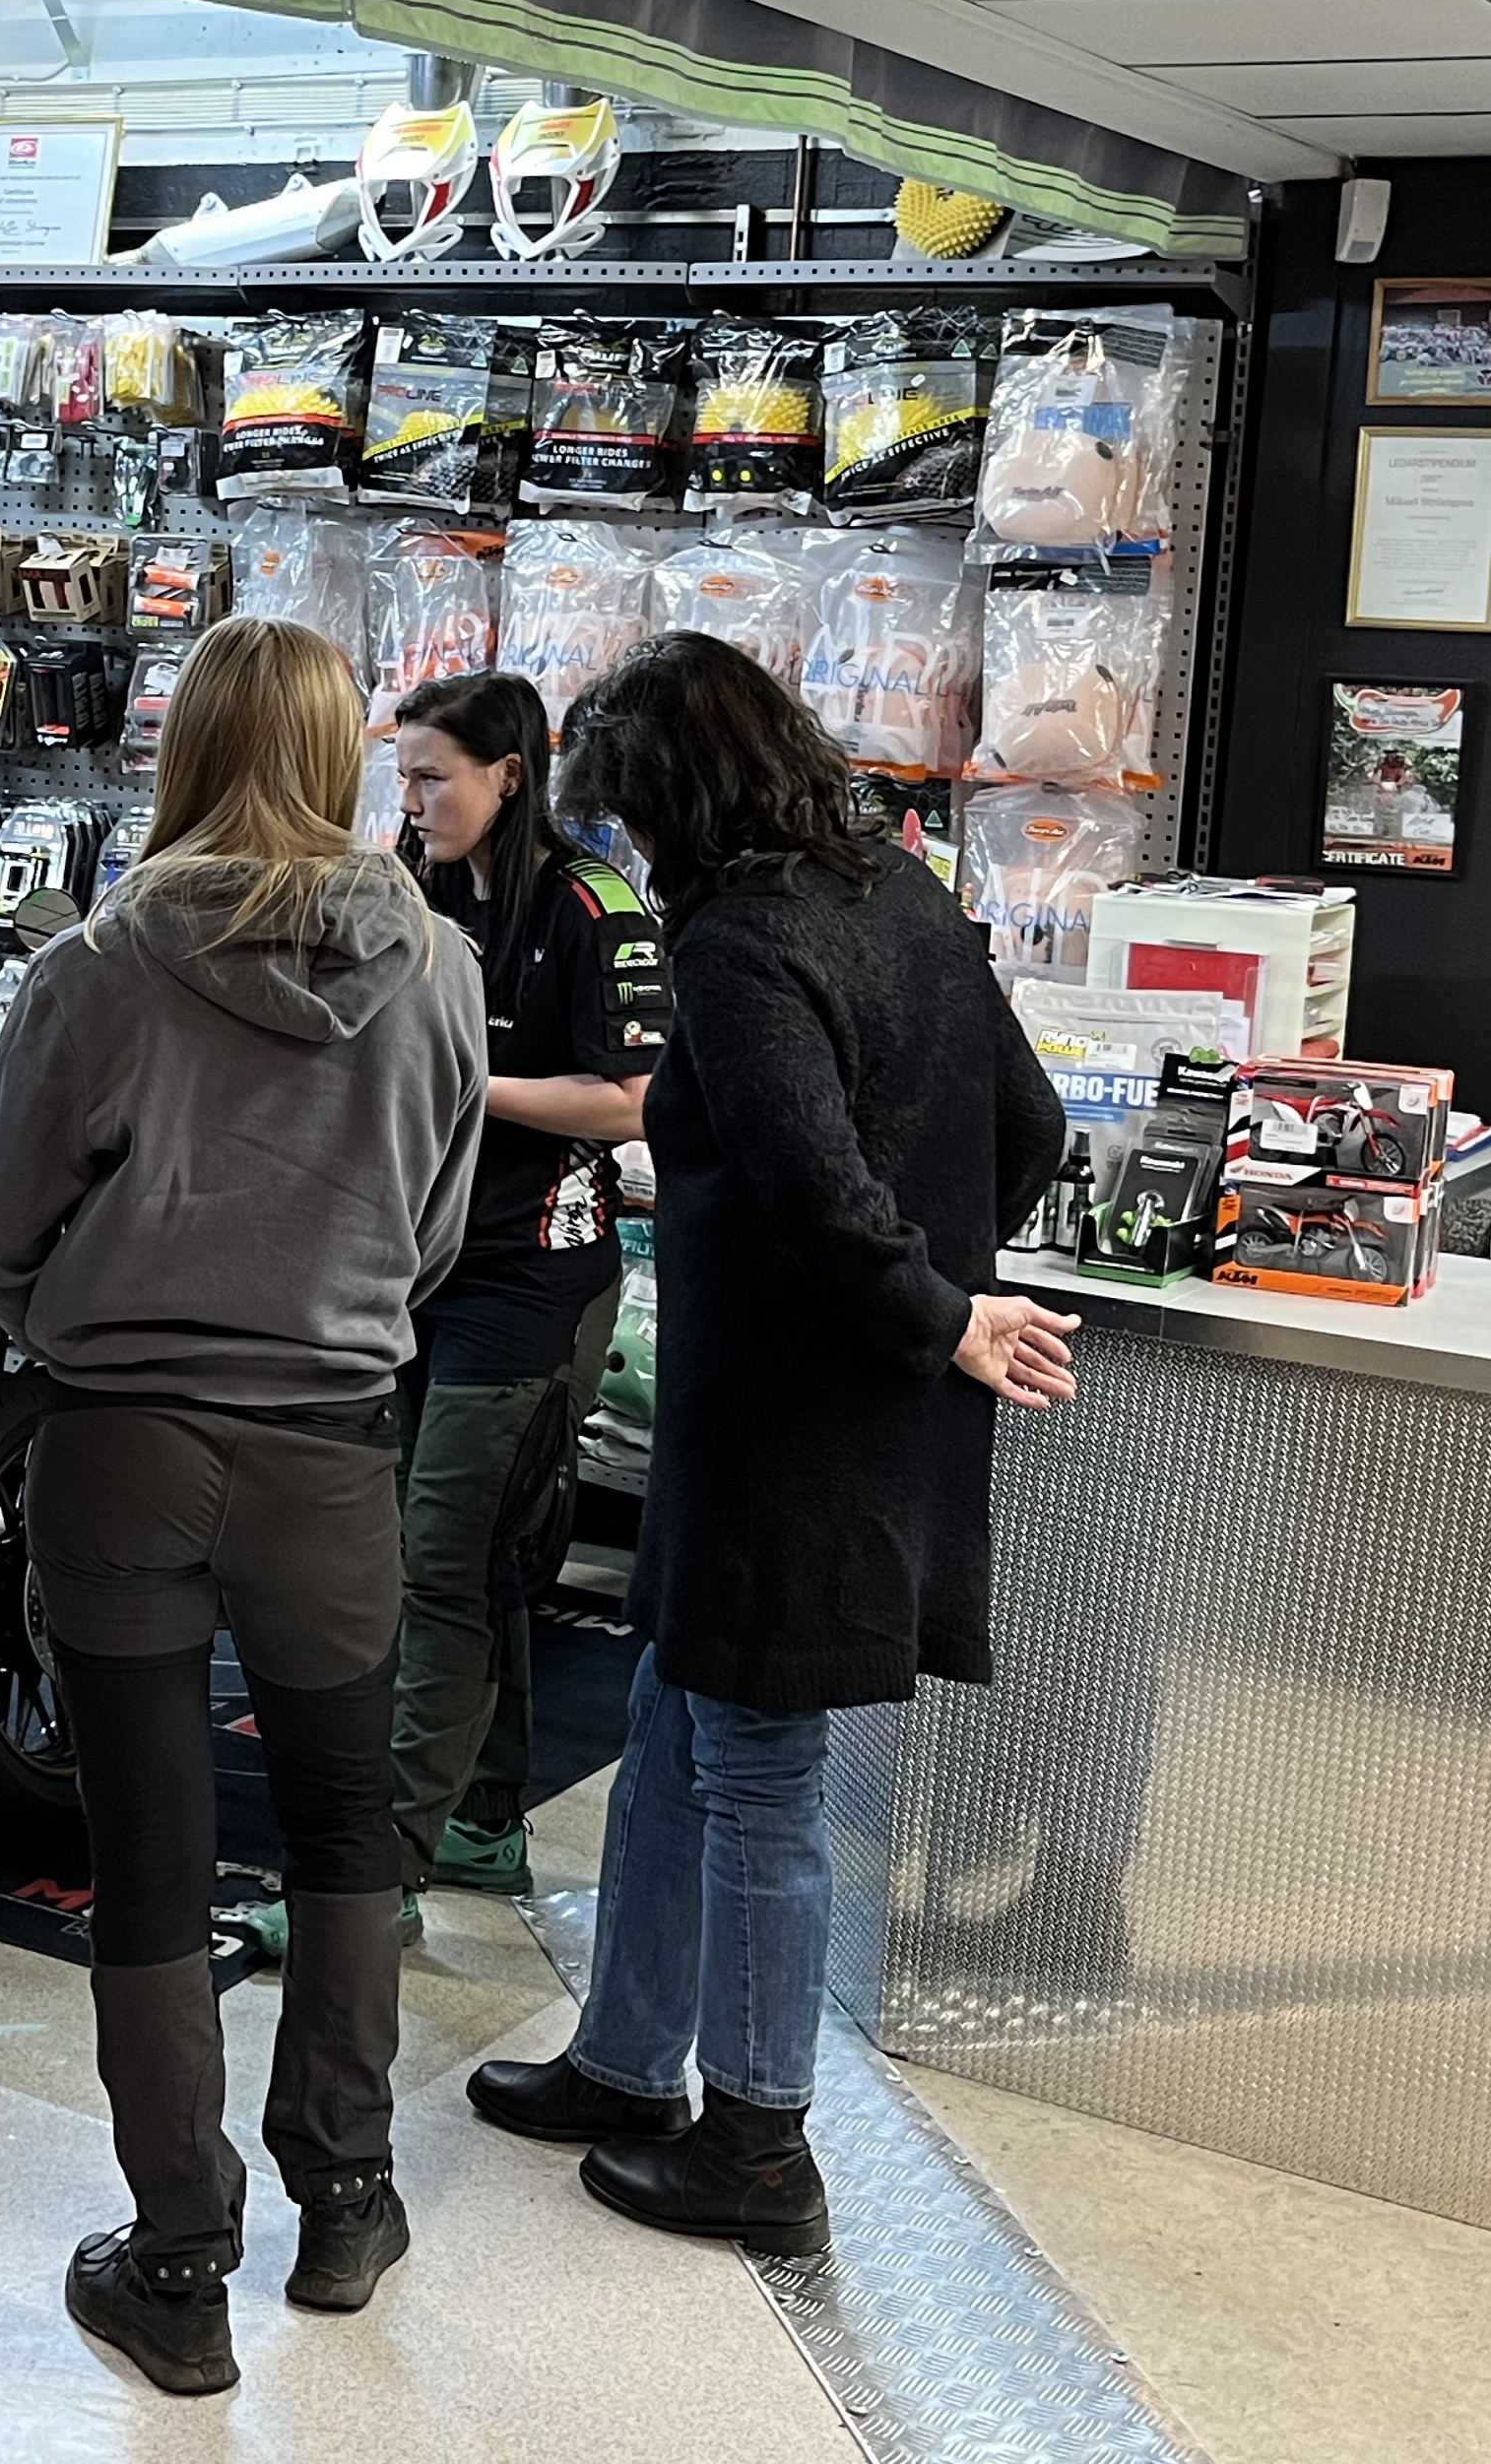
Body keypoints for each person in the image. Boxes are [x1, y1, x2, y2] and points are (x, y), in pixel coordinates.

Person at [465, 634, 1074, 2261]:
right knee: (676, 1713)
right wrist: (940, 1291)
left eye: (634, 818)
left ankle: (757, 2139)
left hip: (783, 1418)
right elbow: (1028, 1125)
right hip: (851, 1403)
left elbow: (810, 1181)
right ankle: (625, 2057)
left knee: (754, 1763)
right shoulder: (899, 890)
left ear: (678, 799)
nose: (633, 852)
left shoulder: (740, 942)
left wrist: (923, 1305)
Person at [0, 616, 485, 2395]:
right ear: (343, 751)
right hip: (332, 1444)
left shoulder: (96, 963)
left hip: (123, 1439)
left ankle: (179, 2259)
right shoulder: (439, 965)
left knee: (149, 1846)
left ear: (184, 746)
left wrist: (96, 1313)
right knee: (343, 1829)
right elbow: (433, 1225)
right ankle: (347, 2196)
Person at [371, 671, 662, 1922]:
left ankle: (375, 1878)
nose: (412, 799)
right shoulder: (411, 879)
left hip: (536, 1279)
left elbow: (634, 1103)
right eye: (402, 775)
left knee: (440, 1565)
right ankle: (485, 1820)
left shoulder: (595, 905)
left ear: (508, 774)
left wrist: (466, 1085)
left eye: (434, 777)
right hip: (416, 1267)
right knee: (463, 1558)